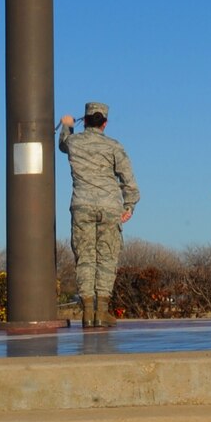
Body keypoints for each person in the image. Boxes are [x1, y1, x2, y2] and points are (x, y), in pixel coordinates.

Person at [58, 103, 140, 327]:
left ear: (84, 121)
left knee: (84, 258)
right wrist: (129, 205)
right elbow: (128, 179)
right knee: (107, 257)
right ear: (105, 123)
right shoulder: (114, 146)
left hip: (82, 205)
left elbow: (63, 144)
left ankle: (86, 313)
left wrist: (66, 125)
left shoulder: (74, 142)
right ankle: (101, 312)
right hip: (109, 207)